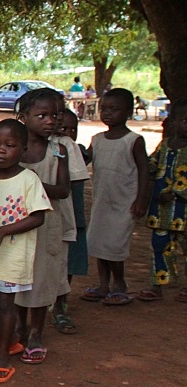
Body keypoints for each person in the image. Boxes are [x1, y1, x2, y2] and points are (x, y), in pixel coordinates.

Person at [15, 88, 89, 365]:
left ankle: (36, 333)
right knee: (19, 278)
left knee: (43, 280)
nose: (51, 121)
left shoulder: (59, 149)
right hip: (17, 224)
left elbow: (63, 190)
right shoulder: (14, 146)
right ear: (24, 117)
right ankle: (19, 326)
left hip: (49, 226)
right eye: (42, 115)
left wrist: (29, 181)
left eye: (55, 115)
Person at [0, 119, 52, 383]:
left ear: (23, 150)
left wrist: (2, 231)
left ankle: (3, 355)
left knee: (5, 303)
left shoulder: (28, 179)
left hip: (12, 253)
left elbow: (38, 217)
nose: (1, 150)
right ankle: (10, 339)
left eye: (9, 145)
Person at [83, 88, 150, 305]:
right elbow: (84, 161)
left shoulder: (133, 140)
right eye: (104, 109)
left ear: (129, 112)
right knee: (99, 243)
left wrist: (141, 199)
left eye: (114, 109)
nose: (108, 113)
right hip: (102, 201)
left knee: (115, 246)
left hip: (124, 202)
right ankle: (104, 284)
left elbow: (143, 170)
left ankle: (120, 284)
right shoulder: (98, 139)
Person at [141, 99, 187, 302]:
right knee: (159, 246)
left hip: (183, 211)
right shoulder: (166, 145)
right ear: (172, 121)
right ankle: (157, 284)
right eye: (184, 120)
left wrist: (176, 193)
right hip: (161, 211)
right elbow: (151, 165)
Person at [51, 109, 89, 333]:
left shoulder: (65, 146)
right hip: (30, 219)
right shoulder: (24, 142)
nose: (64, 130)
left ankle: (60, 308)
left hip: (62, 216)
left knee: (63, 265)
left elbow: (72, 186)